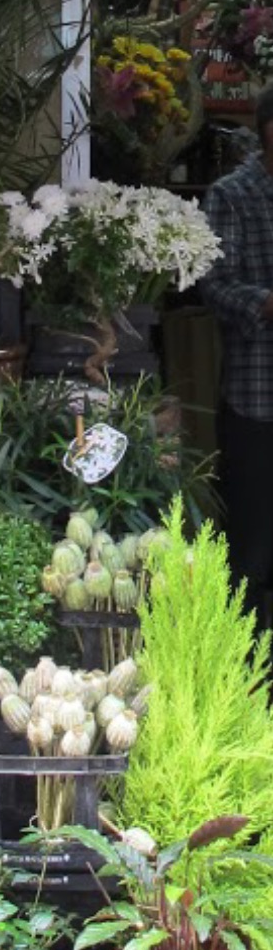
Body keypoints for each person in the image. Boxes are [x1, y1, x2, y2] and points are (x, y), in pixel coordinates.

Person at [201, 83, 273, 630]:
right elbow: (213, 283)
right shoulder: (232, 194)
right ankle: (243, 660)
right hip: (258, 395)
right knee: (251, 544)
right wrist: (266, 304)